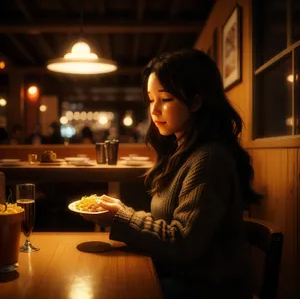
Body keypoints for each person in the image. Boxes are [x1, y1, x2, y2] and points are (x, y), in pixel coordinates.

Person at [82, 48, 261, 299]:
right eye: (150, 99)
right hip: (181, 275)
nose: (154, 110)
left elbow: (182, 242)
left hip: (207, 289)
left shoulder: (209, 159)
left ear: (196, 101)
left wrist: (120, 218)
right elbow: (173, 227)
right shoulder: (182, 151)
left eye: (165, 99)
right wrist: (121, 212)